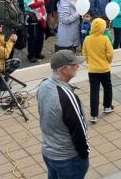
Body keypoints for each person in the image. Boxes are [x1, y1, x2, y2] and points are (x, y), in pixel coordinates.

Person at [38, 50, 89, 178]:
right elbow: (79, 130)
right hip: (68, 158)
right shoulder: (67, 97)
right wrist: (84, 155)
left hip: (49, 152)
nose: (78, 66)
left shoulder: (44, 85)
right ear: (65, 69)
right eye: (75, 65)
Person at [82, 18, 114, 124]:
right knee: (107, 87)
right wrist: (107, 62)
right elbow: (110, 53)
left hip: (92, 70)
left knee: (94, 92)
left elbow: (84, 53)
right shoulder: (105, 39)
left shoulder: (87, 39)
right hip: (104, 69)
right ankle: (107, 106)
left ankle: (94, 115)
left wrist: (89, 62)